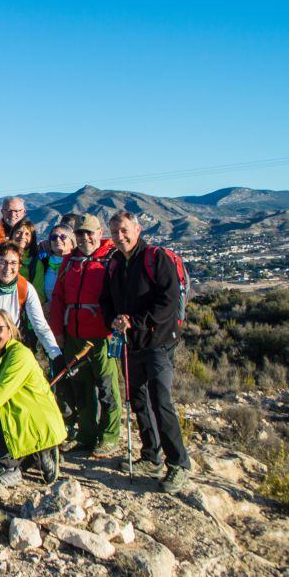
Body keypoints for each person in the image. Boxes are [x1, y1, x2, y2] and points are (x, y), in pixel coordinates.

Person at [101, 210, 191, 493]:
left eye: (125, 230)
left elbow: (168, 300)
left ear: (138, 229)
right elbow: (107, 300)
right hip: (131, 343)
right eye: (115, 232)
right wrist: (113, 320)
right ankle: (151, 456)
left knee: (160, 400)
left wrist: (136, 322)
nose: (120, 236)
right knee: (138, 400)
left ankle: (178, 464)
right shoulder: (115, 263)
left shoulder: (156, 258)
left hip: (158, 343)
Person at [0, 309, 66, 487]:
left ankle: (10, 467)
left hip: (33, 420)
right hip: (16, 415)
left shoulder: (19, 355)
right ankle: (36, 454)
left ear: (10, 329)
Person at [49, 215, 119, 457]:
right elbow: (58, 298)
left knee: (107, 389)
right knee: (82, 389)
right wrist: (58, 331)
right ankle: (87, 435)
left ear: (100, 233)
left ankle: (109, 437)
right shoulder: (69, 263)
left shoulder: (111, 259)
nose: (85, 238)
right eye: (80, 234)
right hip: (73, 336)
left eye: (89, 233)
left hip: (103, 337)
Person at [0, 242, 61, 383]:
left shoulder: (26, 288)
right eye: (3, 262)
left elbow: (40, 326)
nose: (8, 268)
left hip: (10, 345)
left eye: (14, 263)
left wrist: (55, 354)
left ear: (20, 266)